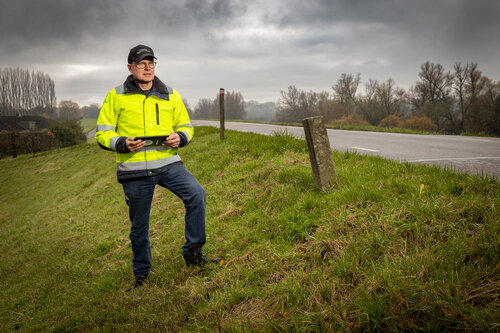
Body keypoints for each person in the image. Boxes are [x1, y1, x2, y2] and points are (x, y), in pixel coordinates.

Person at [95, 44, 217, 292]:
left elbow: (186, 125)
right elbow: (102, 133)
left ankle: (193, 252)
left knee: (197, 194)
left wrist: (180, 137)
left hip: (169, 164)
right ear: (130, 67)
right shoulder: (115, 96)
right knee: (139, 225)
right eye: (142, 63)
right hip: (134, 170)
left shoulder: (170, 93)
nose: (147, 67)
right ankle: (141, 274)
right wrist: (121, 143)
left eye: (151, 63)